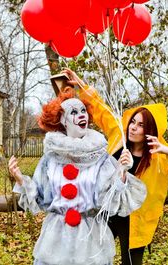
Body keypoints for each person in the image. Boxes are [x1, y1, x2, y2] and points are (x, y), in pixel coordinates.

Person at [63, 68, 168, 265]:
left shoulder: (162, 155)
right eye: (133, 122)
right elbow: (100, 109)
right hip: (108, 213)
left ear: (150, 131)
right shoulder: (119, 134)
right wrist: (80, 84)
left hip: (137, 221)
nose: (133, 127)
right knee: (93, 258)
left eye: (140, 125)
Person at [8, 87, 146, 265]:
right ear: (63, 121)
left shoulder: (100, 157)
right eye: (74, 112)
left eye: (83, 111)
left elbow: (110, 202)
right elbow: (41, 200)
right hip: (56, 238)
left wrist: (122, 171)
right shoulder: (50, 158)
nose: (82, 115)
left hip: (90, 240)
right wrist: (20, 179)